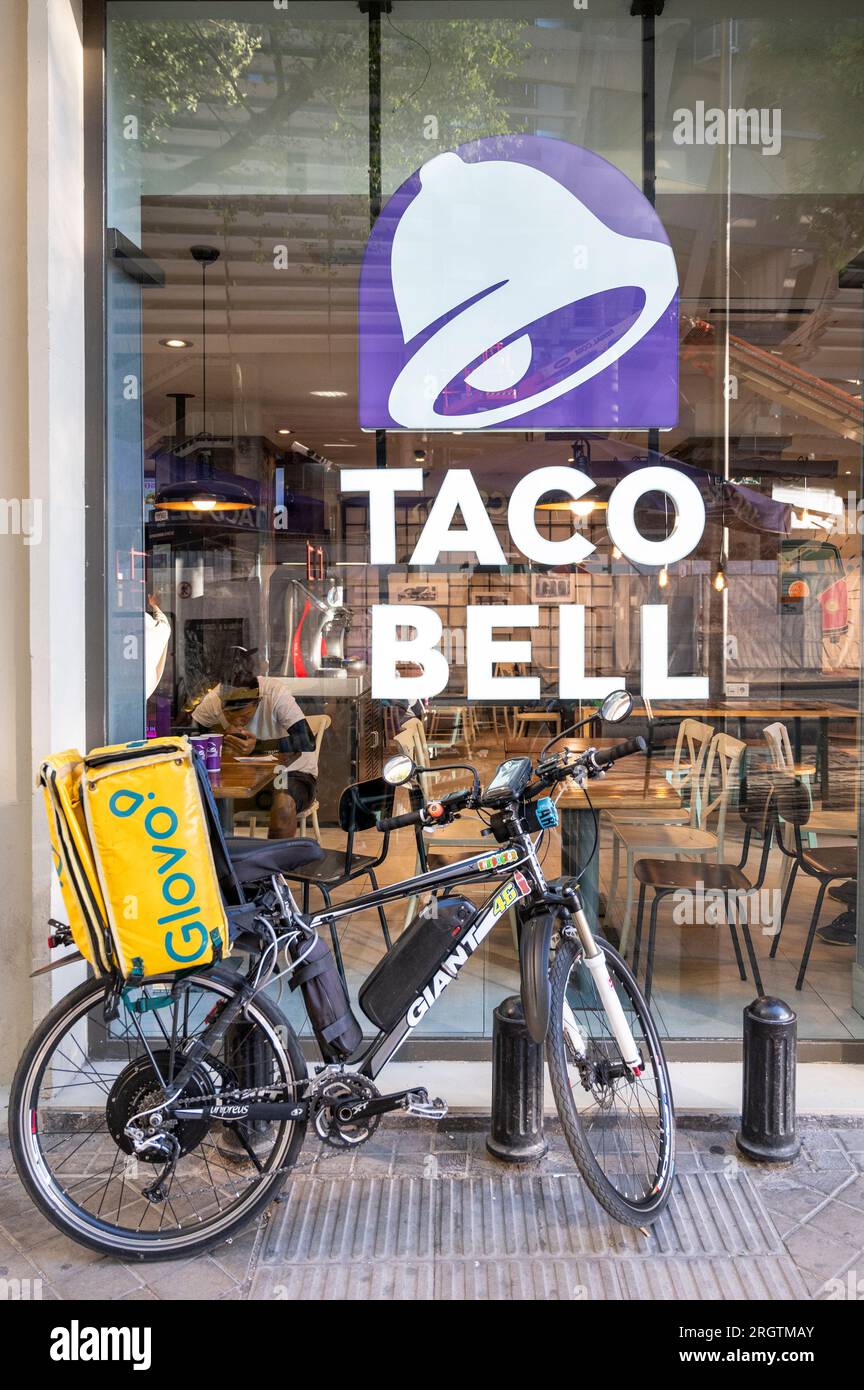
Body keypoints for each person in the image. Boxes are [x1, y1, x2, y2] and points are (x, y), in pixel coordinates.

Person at [191, 651, 318, 839]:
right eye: (230, 717)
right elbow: (189, 733)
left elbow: (306, 741)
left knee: (283, 806)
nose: (238, 722)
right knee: (198, 800)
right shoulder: (214, 700)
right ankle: (221, 863)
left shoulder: (274, 693)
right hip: (240, 776)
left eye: (244, 716)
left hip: (289, 773)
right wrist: (218, 739)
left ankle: (275, 867)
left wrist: (257, 746)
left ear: (258, 702)